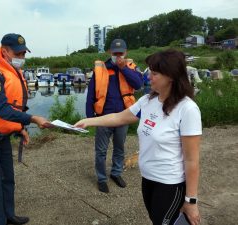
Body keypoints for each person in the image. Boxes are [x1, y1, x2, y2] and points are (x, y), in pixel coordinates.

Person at [76, 49, 202, 225]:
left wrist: (191, 201)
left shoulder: (187, 109)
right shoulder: (148, 101)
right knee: (155, 220)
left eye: (154, 73)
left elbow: (192, 160)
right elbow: (119, 117)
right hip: (148, 179)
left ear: (171, 77)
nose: (148, 76)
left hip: (170, 184)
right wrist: (88, 121)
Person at [0, 33, 53, 225]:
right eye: (18, 53)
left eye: (24, 53)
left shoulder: (13, 71)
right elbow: (2, 109)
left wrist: (19, 128)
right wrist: (32, 119)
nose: (21, 57)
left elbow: (13, 109)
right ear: (4, 51)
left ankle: (10, 216)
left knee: (8, 180)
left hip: (3, 136)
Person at [86, 38, 143, 193]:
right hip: (104, 117)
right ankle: (102, 179)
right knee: (101, 151)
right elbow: (90, 95)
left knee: (119, 148)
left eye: (121, 53)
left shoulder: (131, 68)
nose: (118, 56)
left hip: (123, 116)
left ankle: (116, 173)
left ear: (126, 53)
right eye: (115, 53)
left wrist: (124, 68)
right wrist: (90, 119)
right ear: (109, 52)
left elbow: (139, 84)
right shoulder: (100, 69)